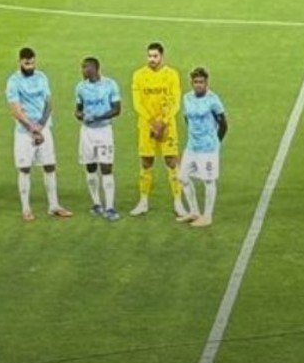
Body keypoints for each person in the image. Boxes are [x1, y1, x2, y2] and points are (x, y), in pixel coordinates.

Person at [7, 48, 72, 221]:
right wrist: (31, 128)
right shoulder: (14, 81)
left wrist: (41, 126)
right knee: (25, 169)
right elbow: (15, 109)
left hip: (44, 129)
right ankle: (26, 208)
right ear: (20, 62)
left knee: (50, 166)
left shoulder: (41, 77)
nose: (30, 66)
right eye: (26, 63)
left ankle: (54, 205)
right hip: (24, 132)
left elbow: (49, 103)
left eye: (32, 62)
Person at [130, 42, 184, 217]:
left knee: (171, 162)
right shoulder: (138, 75)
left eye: (155, 56)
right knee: (146, 162)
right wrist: (152, 121)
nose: (152, 59)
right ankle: (143, 201)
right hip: (147, 126)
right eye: (149, 56)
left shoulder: (172, 75)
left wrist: (164, 121)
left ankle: (178, 202)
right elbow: (137, 103)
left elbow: (176, 101)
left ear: (162, 56)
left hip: (168, 126)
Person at [177, 67, 228, 227]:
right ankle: (194, 211)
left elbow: (223, 124)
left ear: (206, 83)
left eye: (201, 82)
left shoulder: (213, 100)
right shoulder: (187, 98)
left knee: (208, 180)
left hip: (208, 148)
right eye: (196, 82)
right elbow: (187, 119)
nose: (198, 85)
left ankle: (207, 216)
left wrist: (216, 143)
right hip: (192, 146)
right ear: (191, 83)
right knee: (183, 177)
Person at [75, 56, 122, 220]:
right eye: (82, 67)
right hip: (87, 132)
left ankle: (110, 207)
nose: (83, 70)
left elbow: (117, 109)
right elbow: (78, 109)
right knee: (90, 167)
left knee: (106, 167)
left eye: (86, 67)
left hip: (104, 131)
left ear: (95, 69)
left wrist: (98, 117)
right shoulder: (80, 87)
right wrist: (81, 115)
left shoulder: (110, 85)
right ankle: (96, 203)